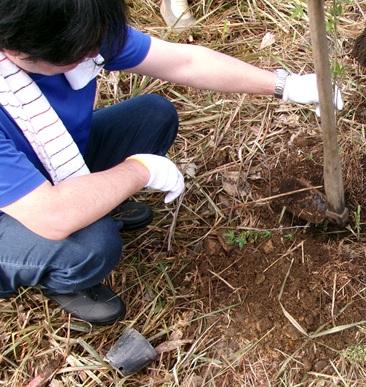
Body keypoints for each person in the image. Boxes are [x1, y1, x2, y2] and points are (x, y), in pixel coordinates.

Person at [0, 0, 342, 326]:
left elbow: (184, 62)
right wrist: (138, 171)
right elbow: (52, 214)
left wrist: (285, 85)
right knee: (92, 245)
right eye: (79, 53)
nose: (94, 54)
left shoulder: (80, 29)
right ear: (17, 50)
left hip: (50, 159)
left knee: (152, 116)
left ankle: (97, 202)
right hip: (19, 212)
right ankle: (61, 277)